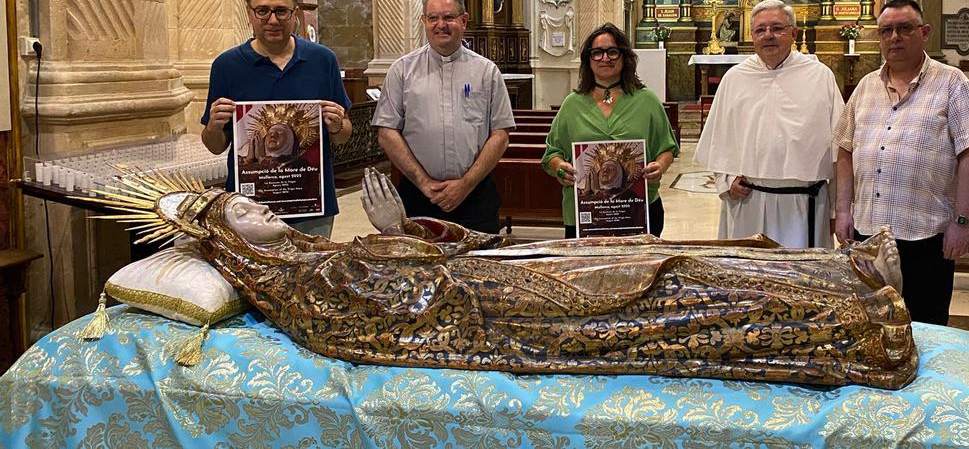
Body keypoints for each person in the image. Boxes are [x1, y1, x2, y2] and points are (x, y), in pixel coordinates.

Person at [92, 166, 917, 390]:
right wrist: (400, 245)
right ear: (232, 248)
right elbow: (399, 316)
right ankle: (846, 299)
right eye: (240, 212)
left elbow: (415, 273)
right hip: (503, 306)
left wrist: (409, 235)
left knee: (640, 254)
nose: (260, 208)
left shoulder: (310, 260)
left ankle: (840, 265)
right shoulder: (297, 290)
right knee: (672, 278)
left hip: (495, 272)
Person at [833, 0, 969, 326]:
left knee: (925, 328)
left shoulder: (952, 83)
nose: (895, 37)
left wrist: (962, 222)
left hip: (925, 236)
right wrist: (844, 211)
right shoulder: (865, 87)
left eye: (904, 28)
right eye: (886, 31)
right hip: (868, 236)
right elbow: (845, 151)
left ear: (924, 33)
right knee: (869, 325)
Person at [201, 0, 353, 239]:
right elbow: (215, 145)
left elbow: (343, 136)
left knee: (310, 276)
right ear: (250, 13)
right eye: (263, 11)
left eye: (281, 11)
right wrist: (214, 124)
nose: (272, 20)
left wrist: (339, 124)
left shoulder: (322, 60)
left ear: (294, 13)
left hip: (311, 204)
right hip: (249, 212)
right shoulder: (227, 66)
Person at [696, 0, 844, 249]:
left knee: (800, 281)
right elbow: (719, 139)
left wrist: (835, 211)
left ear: (793, 33)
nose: (768, 36)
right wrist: (726, 180)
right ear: (752, 35)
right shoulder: (735, 78)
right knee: (749, 279)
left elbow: (839, 150)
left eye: (777, 28)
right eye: (760, 30)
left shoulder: (819, 76)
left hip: (804, 203)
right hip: (748, 201)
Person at [372, 0, 515, 234]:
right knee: (421, 272)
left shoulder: (486, 72)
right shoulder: (402, 71)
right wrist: (424, 183)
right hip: (418, 196)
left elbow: (500, 134)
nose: (441, 25)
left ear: (464, 20)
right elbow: (387, 132)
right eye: (433, 18)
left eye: (449, 17)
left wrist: (466, 184)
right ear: (424, 21)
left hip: (476, 197)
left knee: (477, 269)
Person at [543, 24, 679, 237]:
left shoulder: (647, 100)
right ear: (588, 59)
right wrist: (561, 169)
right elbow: (552, 154)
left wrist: (659, 166)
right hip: (586, 214)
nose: (605, 58)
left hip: (639, 210)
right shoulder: (572, 104)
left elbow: (667, 148)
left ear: (624, 57)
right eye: (597, 52)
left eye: (612, 51)